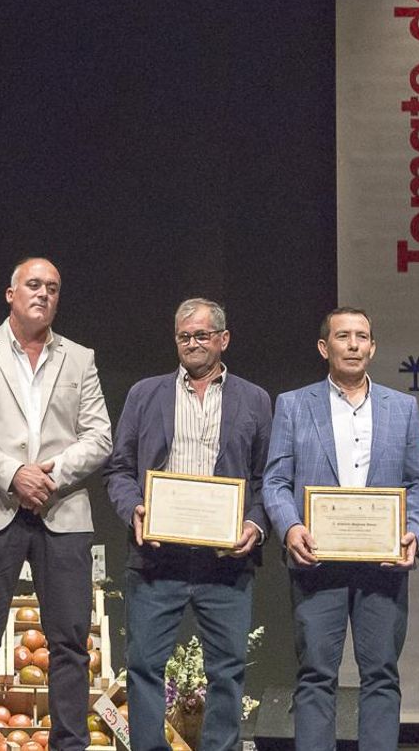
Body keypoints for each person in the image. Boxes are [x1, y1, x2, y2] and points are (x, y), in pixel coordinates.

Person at [0, 257, 112, 751]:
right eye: (34, 285)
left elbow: (100, 435)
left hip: (61, 512)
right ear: (10, 293)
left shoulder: (79, 357)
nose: (43, 294)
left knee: (69, 643)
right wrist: (11, 474)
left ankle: (69, 744)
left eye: (53, 288)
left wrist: (50, 476)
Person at [102, 297, 272, 751]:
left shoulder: (254, 400)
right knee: (142, 667)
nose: (192, 344)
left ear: (223, 339)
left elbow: (265, 479)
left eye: (201, 335)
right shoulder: (145, 393)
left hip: (226, 561)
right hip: (158, 558)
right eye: (184, 336)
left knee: (228, 671)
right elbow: (118, 470)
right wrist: (133, 508)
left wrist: (254, 525)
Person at [261, 307, 419, 751]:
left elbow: (418, 483)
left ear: (372, 347)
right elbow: (275, 481)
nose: (353, 344)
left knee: (381, 675)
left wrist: (412, 529)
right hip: (317, 561)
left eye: (362, 337)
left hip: (382, 563)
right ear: (324, 347)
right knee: (316, 674)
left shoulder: (403, 408)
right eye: (343, 336)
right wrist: (290, 527)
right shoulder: (294, 405)